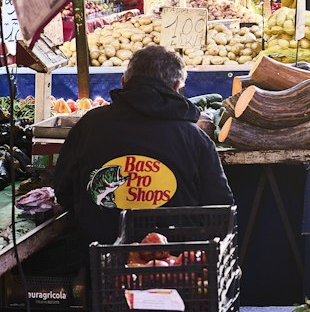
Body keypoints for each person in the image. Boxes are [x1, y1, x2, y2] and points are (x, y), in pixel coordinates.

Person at [53, 45, 234, 247]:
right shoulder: (195, 138)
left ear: (123, 82)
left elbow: (63, 192)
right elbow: (221, 208)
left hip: (101, 260)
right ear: (176, 87)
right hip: (178, 262)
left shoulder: (88, 125)